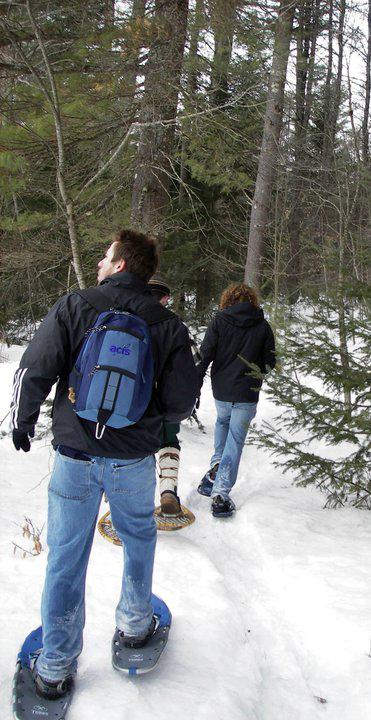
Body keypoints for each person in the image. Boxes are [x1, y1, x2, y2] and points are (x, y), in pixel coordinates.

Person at [10, 230, 198, 700]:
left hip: (74, 455)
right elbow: (181, 402)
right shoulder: (168, 325)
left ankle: (54, 667)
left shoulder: (76, 306)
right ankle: (135, 627)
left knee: (66, 557)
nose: (98, 260)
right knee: (137, 537)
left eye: (105, 255)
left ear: (119, 265)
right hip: (133, 459)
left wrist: (24, 420)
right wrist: (147, 418)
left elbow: (35, 367)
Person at [197, 282, 276, 518]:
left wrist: (196, 380)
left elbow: (205, 354)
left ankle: (216, 467)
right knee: (235, 439)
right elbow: (270, 361)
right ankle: (220, 493)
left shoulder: (219, 321)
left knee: (223, 423)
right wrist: (256, 372)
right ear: (252, 301)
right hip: (247, 392)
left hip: (222, 389)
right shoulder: (262, 326)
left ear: (227, 301)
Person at [147, 272, 201, 516]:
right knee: (168, 442)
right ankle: (168, 491)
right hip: (167, 401)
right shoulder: (176, 326)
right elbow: (195, 360)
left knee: (134, 450)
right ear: (165, 299)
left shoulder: (128, 321)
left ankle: (130, 505)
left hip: (134, 402)